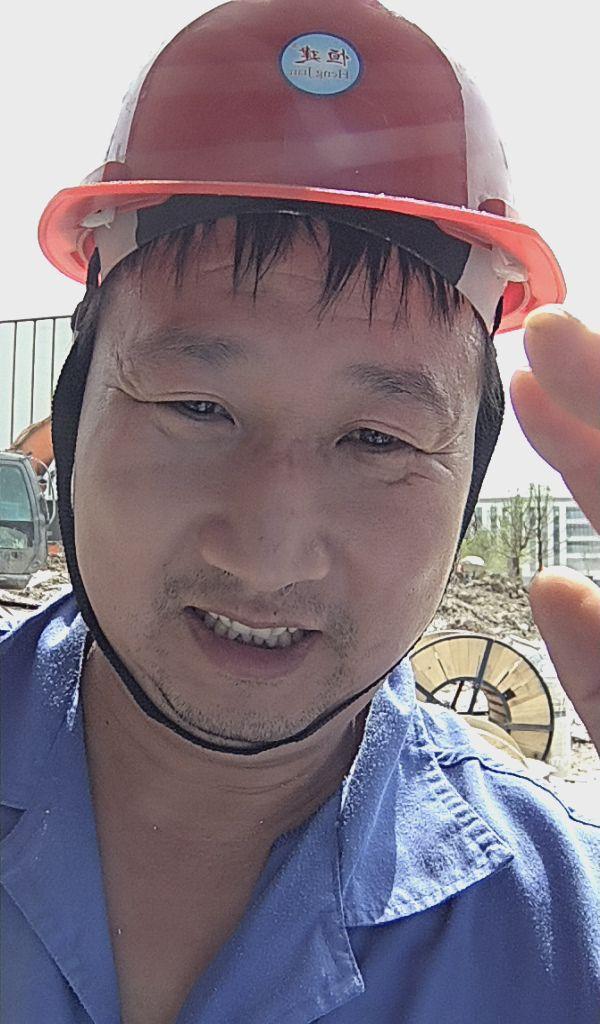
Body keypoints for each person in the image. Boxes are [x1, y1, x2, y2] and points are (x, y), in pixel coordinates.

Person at [2, 1, 599, 1022]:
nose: (268, 553)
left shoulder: (564, 941)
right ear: (74, 405)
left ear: (469, 472)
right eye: (197, 408)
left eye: (377, 440)